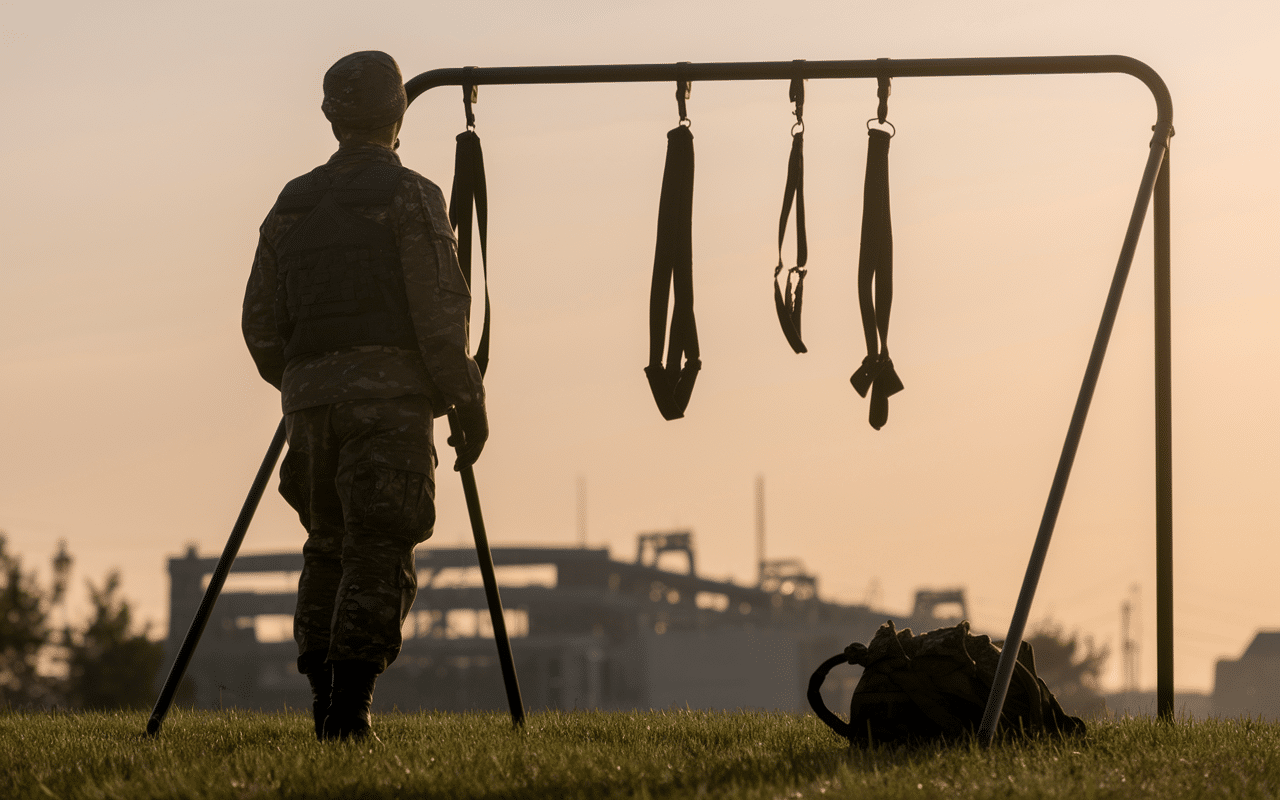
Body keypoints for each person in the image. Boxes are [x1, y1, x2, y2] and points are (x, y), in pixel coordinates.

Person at [242, 51, 488, 742]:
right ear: (399, 110)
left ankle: (325, 702)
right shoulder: (410, 195)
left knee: (327, 547)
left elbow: (260, 324)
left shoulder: (289, 204)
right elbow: (441, 313)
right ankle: (349, 714)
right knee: (379, 548)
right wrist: (465, 399)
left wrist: (309, 382)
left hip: (310, 407)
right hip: (390, 405)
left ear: (330, 115)